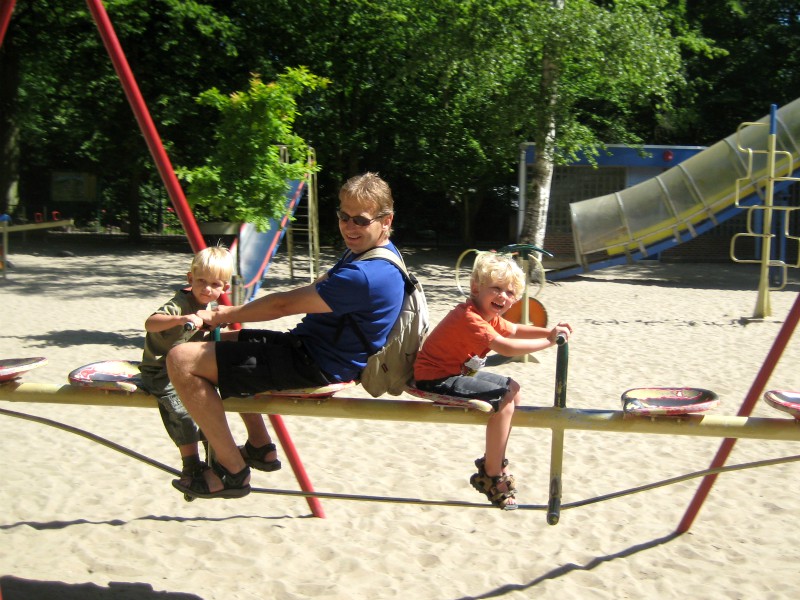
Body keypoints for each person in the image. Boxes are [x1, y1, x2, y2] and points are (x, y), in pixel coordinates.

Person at [167, 172, 405, 500]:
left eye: (360, 221)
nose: (349, 227)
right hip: (311, 350)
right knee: (227, 343)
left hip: (315, 364)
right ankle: (260, 446)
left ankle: (233, 471)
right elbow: (314, 288)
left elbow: (282, 305)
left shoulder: (366, 274)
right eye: (343, 217)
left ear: (386, 220)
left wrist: (222, 313)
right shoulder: (372, 253)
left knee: (181, 360)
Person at [413, 251, 573, 510]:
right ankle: (492, 473)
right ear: (476, 288)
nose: (503, 297)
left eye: (510, 293)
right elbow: (506, 347)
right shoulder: (469, 318)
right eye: (496, 289)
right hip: (435, 377)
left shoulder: (487, 316)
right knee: (504, 398)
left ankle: (493, 459)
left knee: (514, 390)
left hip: (453, 371)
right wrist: (549, 342)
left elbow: (516, 329)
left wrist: (550, 331)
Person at [139, 245, 281, 493]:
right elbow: (151, 323)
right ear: (190, 279)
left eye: (215, 285)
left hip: (192, 370)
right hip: (161, 372)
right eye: (201, 281)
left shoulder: (213, 310)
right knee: (182, 411)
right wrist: (181, 319)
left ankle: (249, 449)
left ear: (224, 288)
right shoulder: (180, 303)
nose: (207, 289)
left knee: (231, 385)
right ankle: (191, 464)